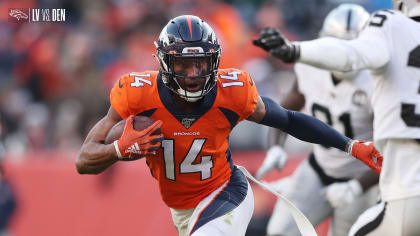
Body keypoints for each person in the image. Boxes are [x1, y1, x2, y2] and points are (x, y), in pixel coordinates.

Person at [76, 15, 382, 236]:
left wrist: (350, 145)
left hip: (225, 194)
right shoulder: (136, 93)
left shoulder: (232, 90)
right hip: (182, 209)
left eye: (202, 63)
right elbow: (84, 160)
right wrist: (118, 148)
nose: (194, 73)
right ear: (166, 62)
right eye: (184, 63)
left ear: (215, 62)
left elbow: (288, 119)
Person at [253, 0, 420, 235]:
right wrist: (276, 147)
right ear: (325, 42)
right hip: (318, 167)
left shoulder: (378, 79)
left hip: (361, 176)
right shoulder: (311, 67)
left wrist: (356, 186)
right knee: (280, 231)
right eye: (338, 44)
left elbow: (385, 151)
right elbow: (285, 112)